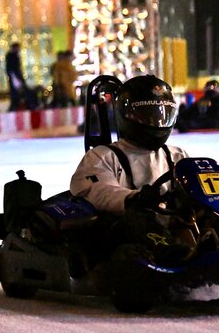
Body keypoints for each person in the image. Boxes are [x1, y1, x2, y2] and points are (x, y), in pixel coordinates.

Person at [69, 74, 193, 263]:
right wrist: (133, 198)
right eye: (148, 116)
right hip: (124, 234)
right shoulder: (103, 155)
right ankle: (175, 257)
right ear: (128, 116)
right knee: (137, 217)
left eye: (161, 114)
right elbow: (95, 191)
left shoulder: (176, 155)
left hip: (171, 225)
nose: (156, 122)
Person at [5, 42, 37, 110]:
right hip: (15, 78)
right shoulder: (12, 56)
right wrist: (18, 79)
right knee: (18, 94)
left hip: (15, 78)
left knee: (17, 94)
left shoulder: (12, 56)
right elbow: (14, 69)